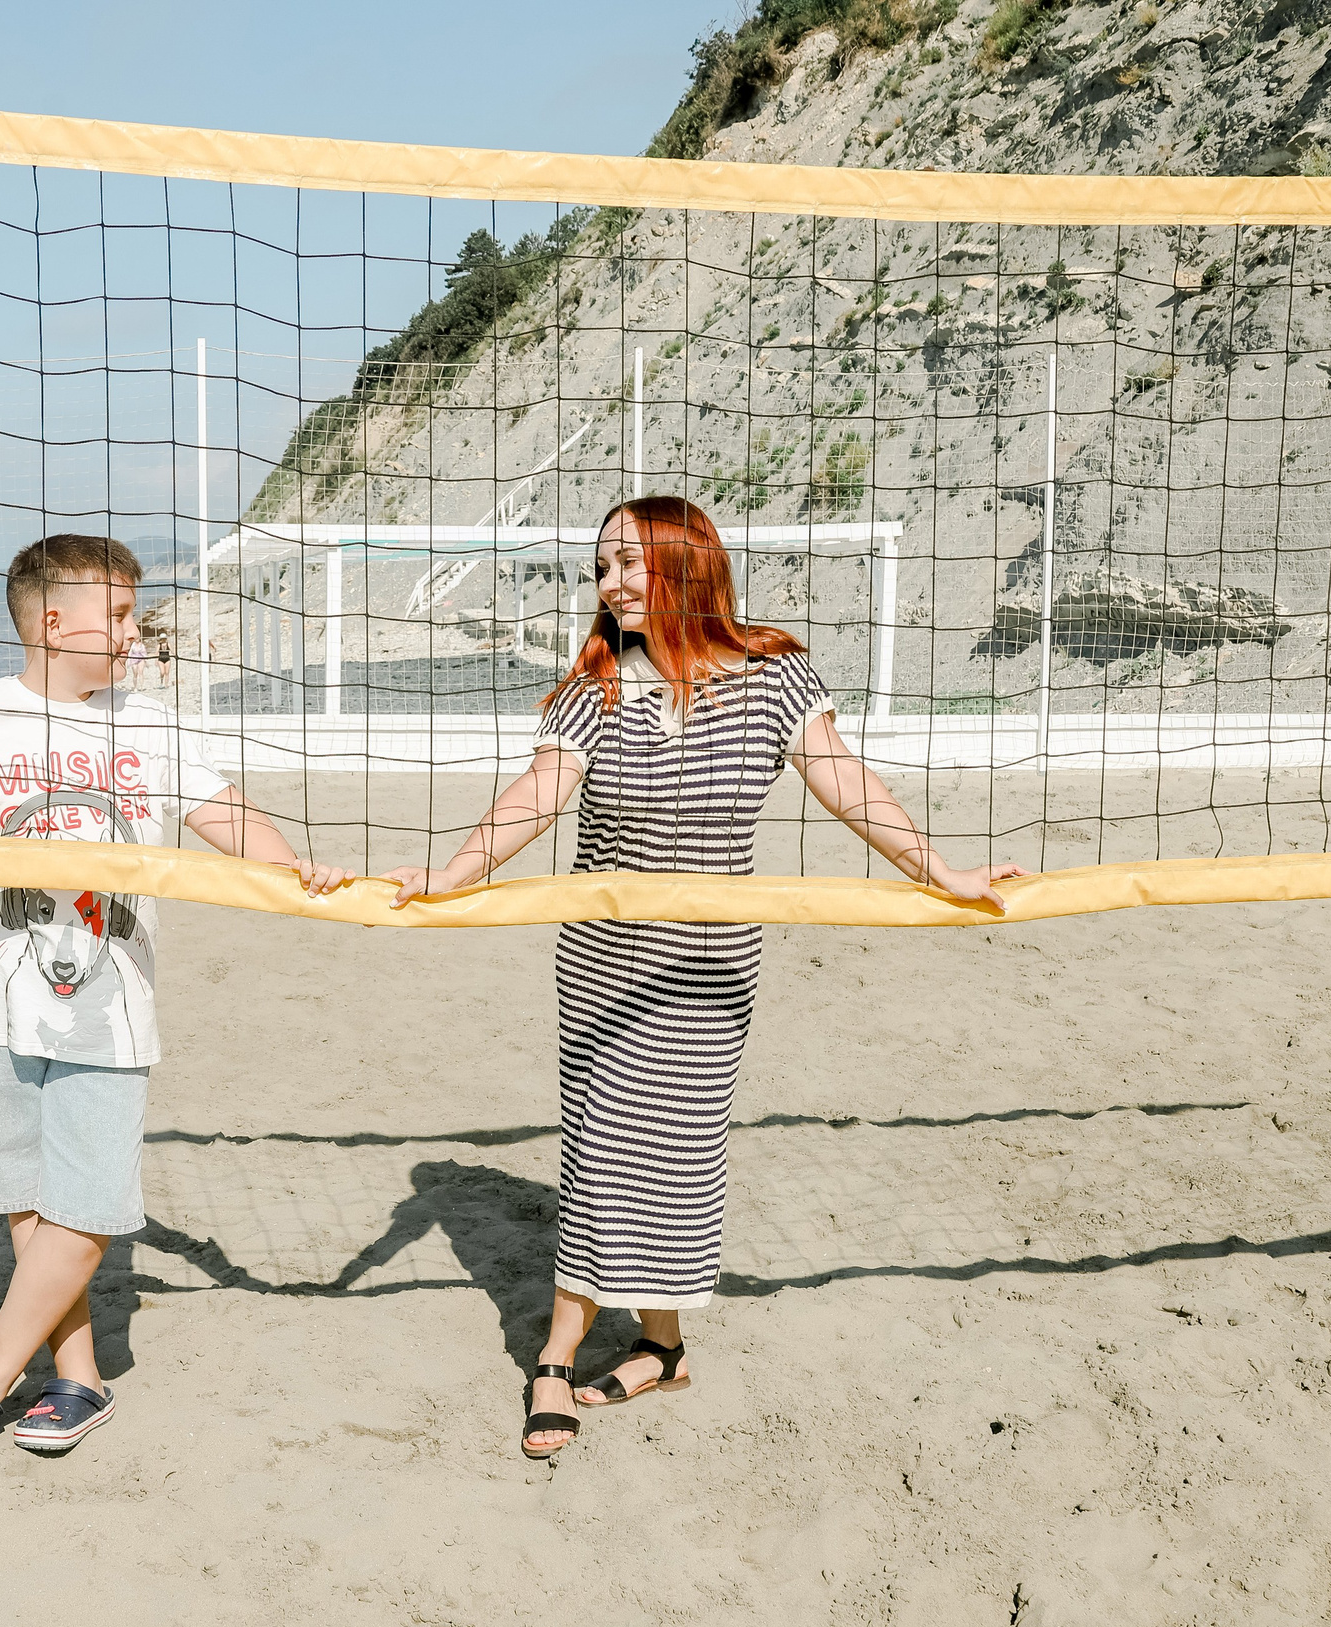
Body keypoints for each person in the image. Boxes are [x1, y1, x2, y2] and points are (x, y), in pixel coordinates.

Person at [378, 496, 1022, 1460]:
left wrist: (945, 873)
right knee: (600, 1153)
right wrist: (453, 873)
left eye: (629, 563)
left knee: (678, 1158)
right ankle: (559, 1351)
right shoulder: (591, 687)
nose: (610, 584)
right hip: (603, 962)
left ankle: (661, 1345)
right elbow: (535, 799)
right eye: (600, 568)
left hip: (710, 965)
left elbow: (846, 780)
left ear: (687, 564)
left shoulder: (773, 676)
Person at [0, 534, 351, 1472]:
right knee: (24, 1201)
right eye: (120, 615)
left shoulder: (151, 724)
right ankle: (79, 1376)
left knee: (86, 1210)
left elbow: (228, 817)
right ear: (55, 621)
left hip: (110, 1006)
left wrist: (301, 867)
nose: (135, 633)